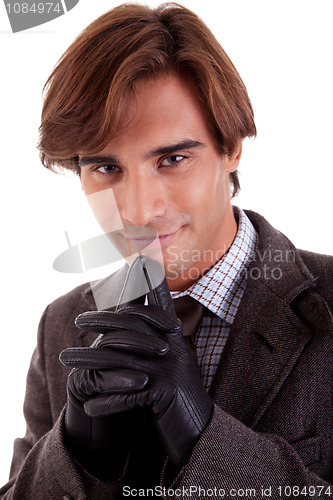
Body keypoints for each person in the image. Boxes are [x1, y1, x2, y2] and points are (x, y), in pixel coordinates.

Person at [1, 3, 333, 499]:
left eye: (172, 158)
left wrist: (205, 437)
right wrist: (75, 454)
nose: (138, 209)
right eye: (106, 169)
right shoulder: (63, 324)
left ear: (232, 146)